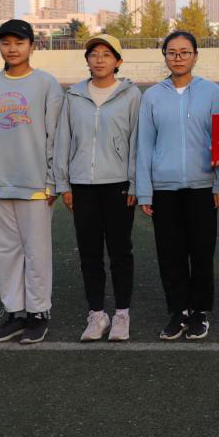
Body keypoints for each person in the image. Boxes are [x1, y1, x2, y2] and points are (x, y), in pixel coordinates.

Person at [0, 19, 65, 344]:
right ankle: (15, 313)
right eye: (6, 43)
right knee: (5, 251)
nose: (12, 49)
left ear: (32, 46)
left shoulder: (46, 84)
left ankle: (38, 313)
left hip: (35, 184)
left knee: (36, 252)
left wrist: (52, 180)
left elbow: (55, 136)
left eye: (19, 42)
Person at [135, 31, 219, 341]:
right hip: (164, 189)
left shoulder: (211, 92)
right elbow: (145, 145)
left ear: (195, 56)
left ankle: (199, 311)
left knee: (201, 252)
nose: (178, 58)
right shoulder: (152, 96)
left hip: (203, 186)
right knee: (170, 253)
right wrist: (145, 190)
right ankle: (178, 311)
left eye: (184, 52)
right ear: (165, 56)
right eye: (172, 52)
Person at [54, 34, 141, 342]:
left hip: (119, 184)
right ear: (87, 60)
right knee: (89, 253)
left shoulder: (131, 95)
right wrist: (64, 182)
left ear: (118, 61)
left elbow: (137, 142)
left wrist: (135, 182)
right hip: (82, 185)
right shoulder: (74, 95)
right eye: (94, 54)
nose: (100, 59)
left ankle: (121, 314)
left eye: (106, 54)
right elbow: (63, 139)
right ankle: (96, 314)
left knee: (120, 252)